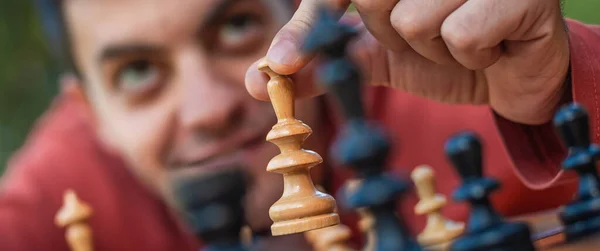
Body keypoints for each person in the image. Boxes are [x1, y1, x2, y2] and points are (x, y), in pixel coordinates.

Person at [0, 0, 598, 250]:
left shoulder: (463, 91)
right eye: (136, 71)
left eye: (236, 26)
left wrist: (570, 85)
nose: (209, 107)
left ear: (302, 19)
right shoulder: (59, 193)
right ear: (86, 112)